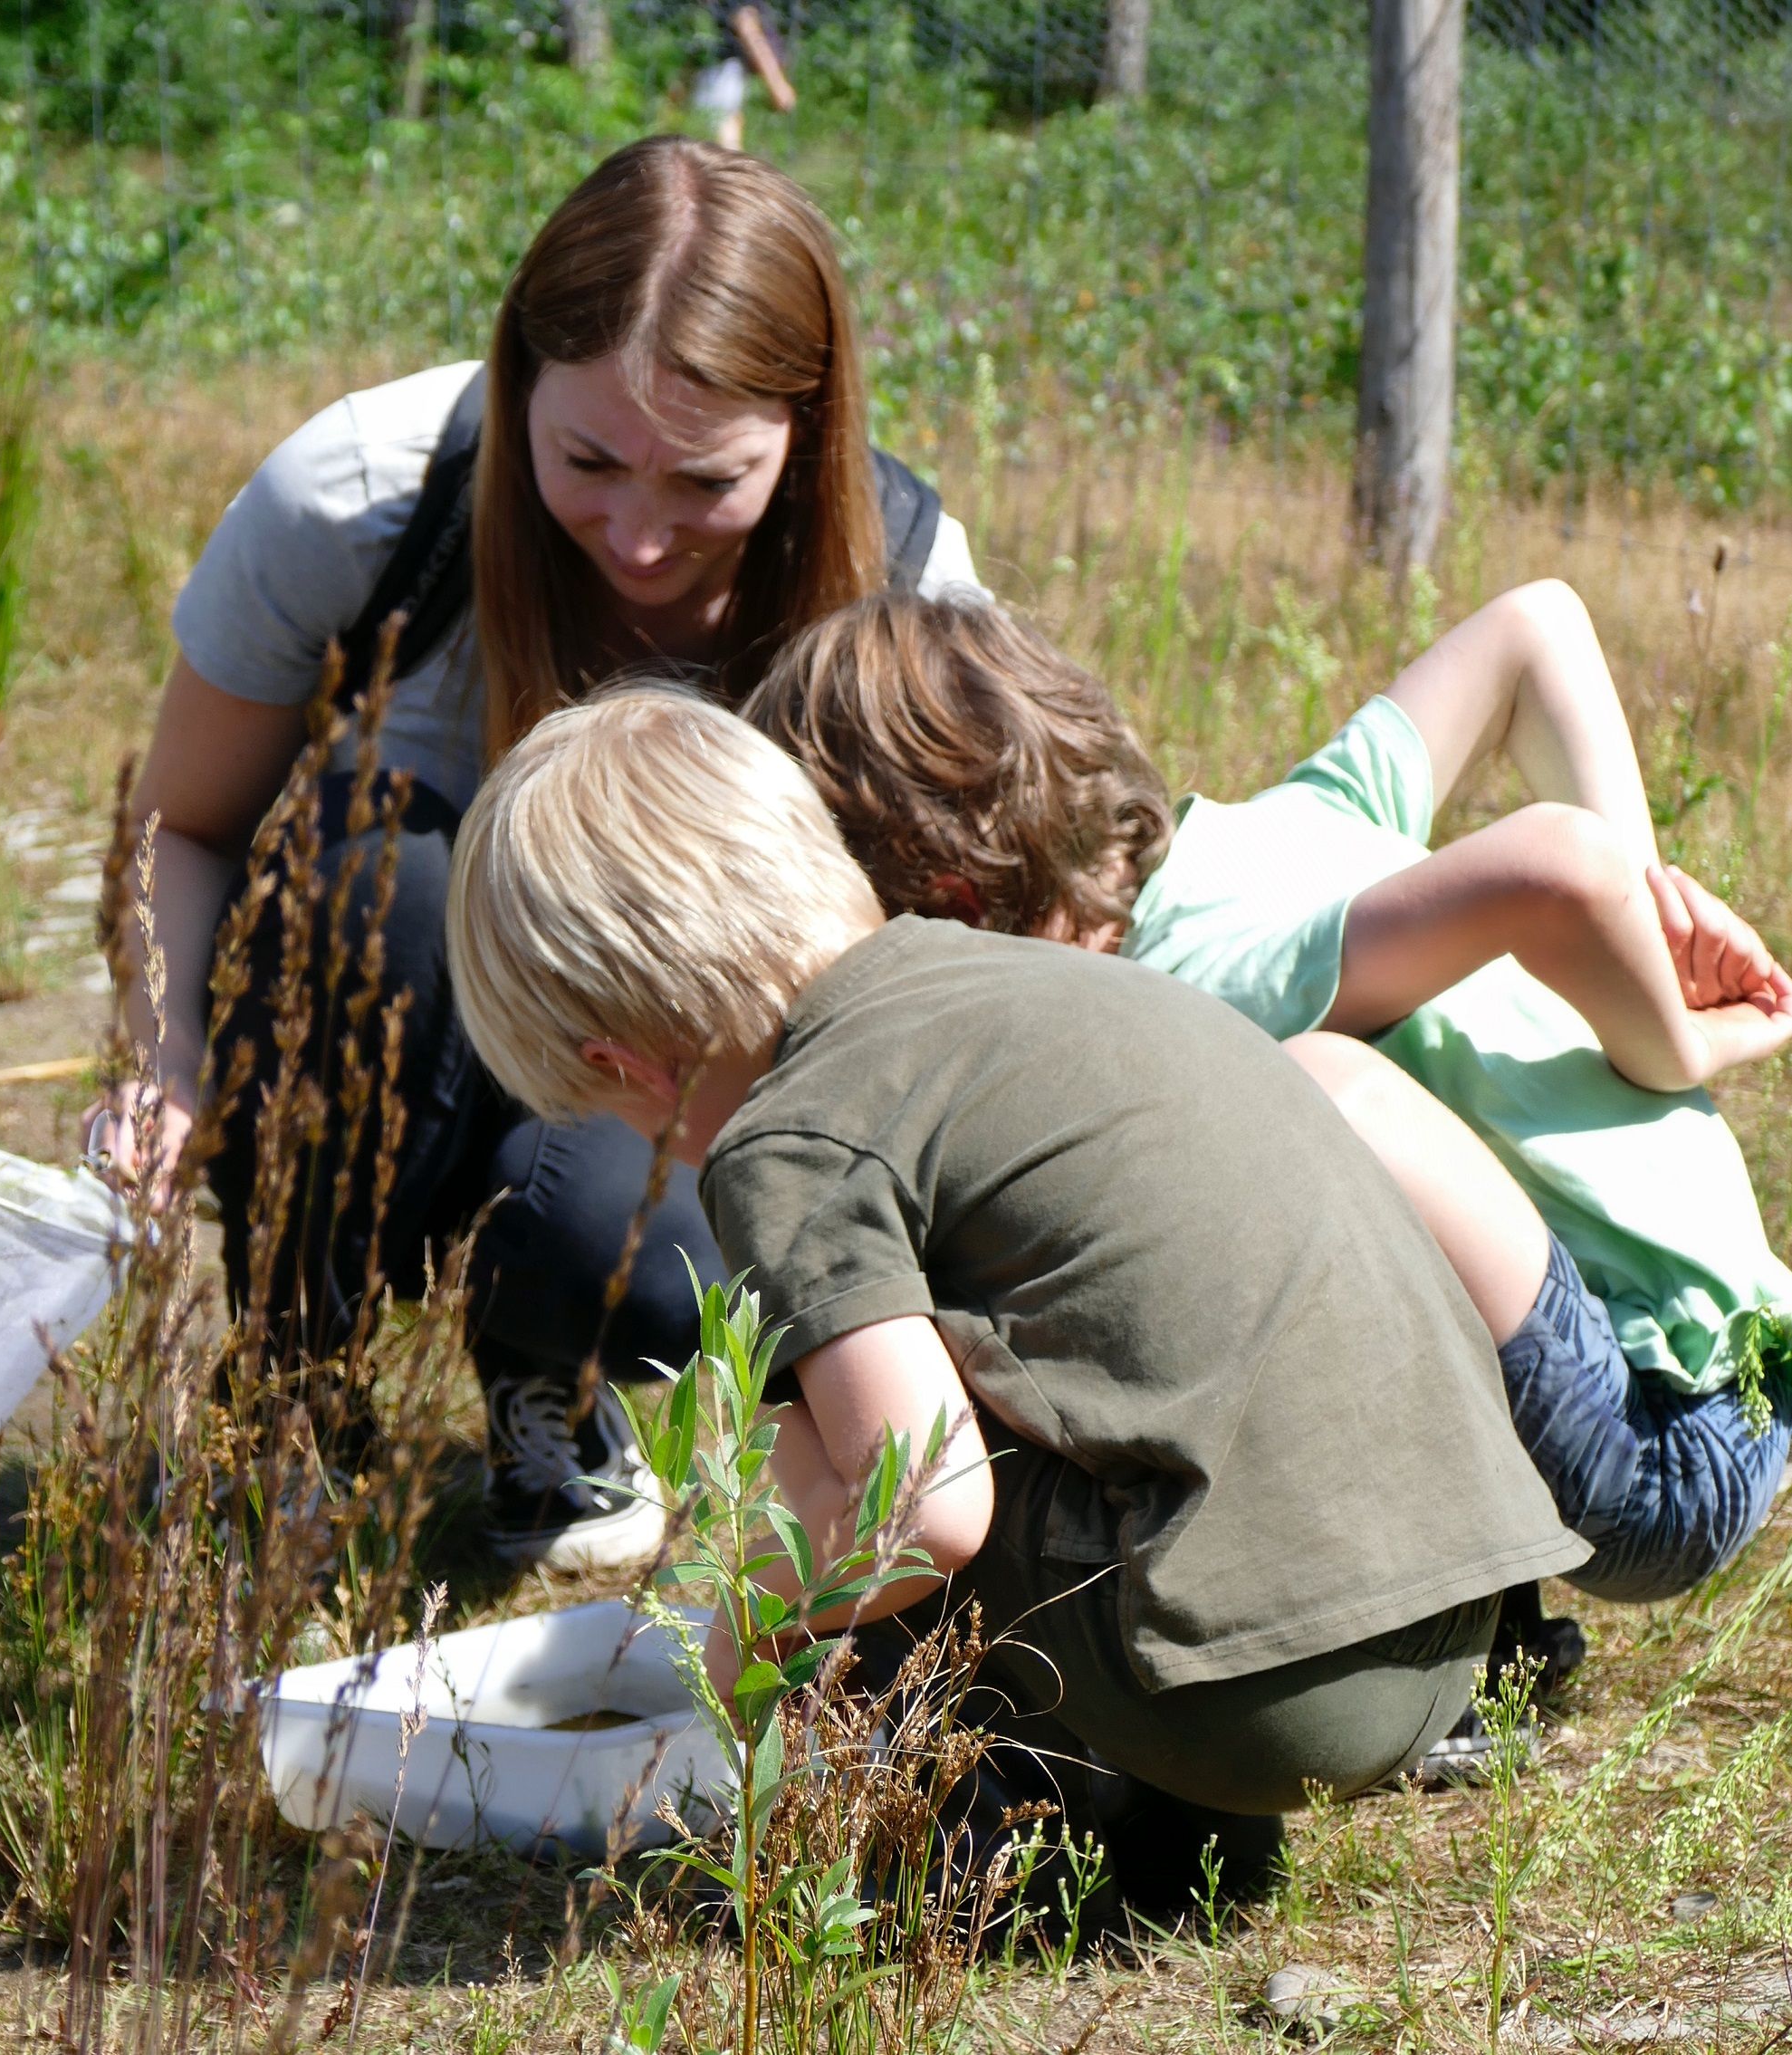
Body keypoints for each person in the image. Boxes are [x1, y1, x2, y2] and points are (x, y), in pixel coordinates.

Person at [443, 686, 1589, 1894]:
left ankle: (969, 1851)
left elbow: (922, 1509)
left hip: (1273, 1702)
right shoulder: (1024, 978)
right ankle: (1157, 1816)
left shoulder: (791, 1134)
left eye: (622, 1120)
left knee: (799, 1448)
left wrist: (734, 1625)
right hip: (1453, 1629)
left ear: (623, 1066)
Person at [95, 137, 983, 1572]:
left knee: (610, 1252)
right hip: (406, 1008)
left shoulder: (901, 582)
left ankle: (555, 1388)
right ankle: (286, 1382)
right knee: (386, 871)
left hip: (665, 1085)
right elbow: (180, 824)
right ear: (517, 386)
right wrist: (166, 1057)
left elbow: (949, 976)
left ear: (806, 436)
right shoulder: (368, 499)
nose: (638, 536)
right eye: (587, 461)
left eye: (707, 480)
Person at [745, 586, 1792, 1628]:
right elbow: (1540, 624)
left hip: (1668, 1448)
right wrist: (1658, 935)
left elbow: (1556, 865)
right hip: (1744, 1355)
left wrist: (1672, 1031)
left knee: (1310, 1100)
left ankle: (1420, 1616)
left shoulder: (1211, 981)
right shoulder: (1297, 820)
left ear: (951, 905)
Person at [691, 4, 796, 153]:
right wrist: (776, 84)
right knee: (726, 149)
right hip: (724, 75)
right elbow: (749, 31)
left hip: (707, 73)